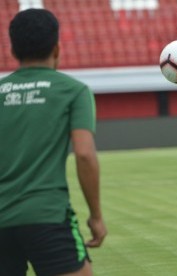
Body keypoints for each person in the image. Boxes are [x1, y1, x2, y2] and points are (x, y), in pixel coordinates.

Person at [0, 9, 107, 276]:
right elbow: (84, 154)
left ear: (12, 50)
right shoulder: (73, 91)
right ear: (57, 48)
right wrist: (95, 216)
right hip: (47, 216)